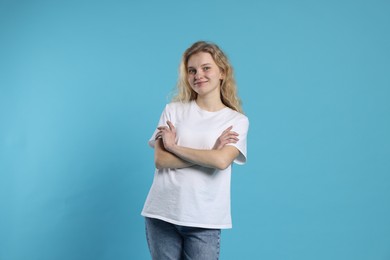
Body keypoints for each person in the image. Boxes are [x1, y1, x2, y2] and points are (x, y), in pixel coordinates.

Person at [141, 41, 249, 260]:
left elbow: (221, 161)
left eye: (206, 68)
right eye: (192, 70)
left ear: (222, 72)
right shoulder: (173, 110)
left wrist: (175, 147)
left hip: (204, 219)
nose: (198, 74)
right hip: (161, 214)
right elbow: (161, 160)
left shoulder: (236, 120)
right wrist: (208, 153)